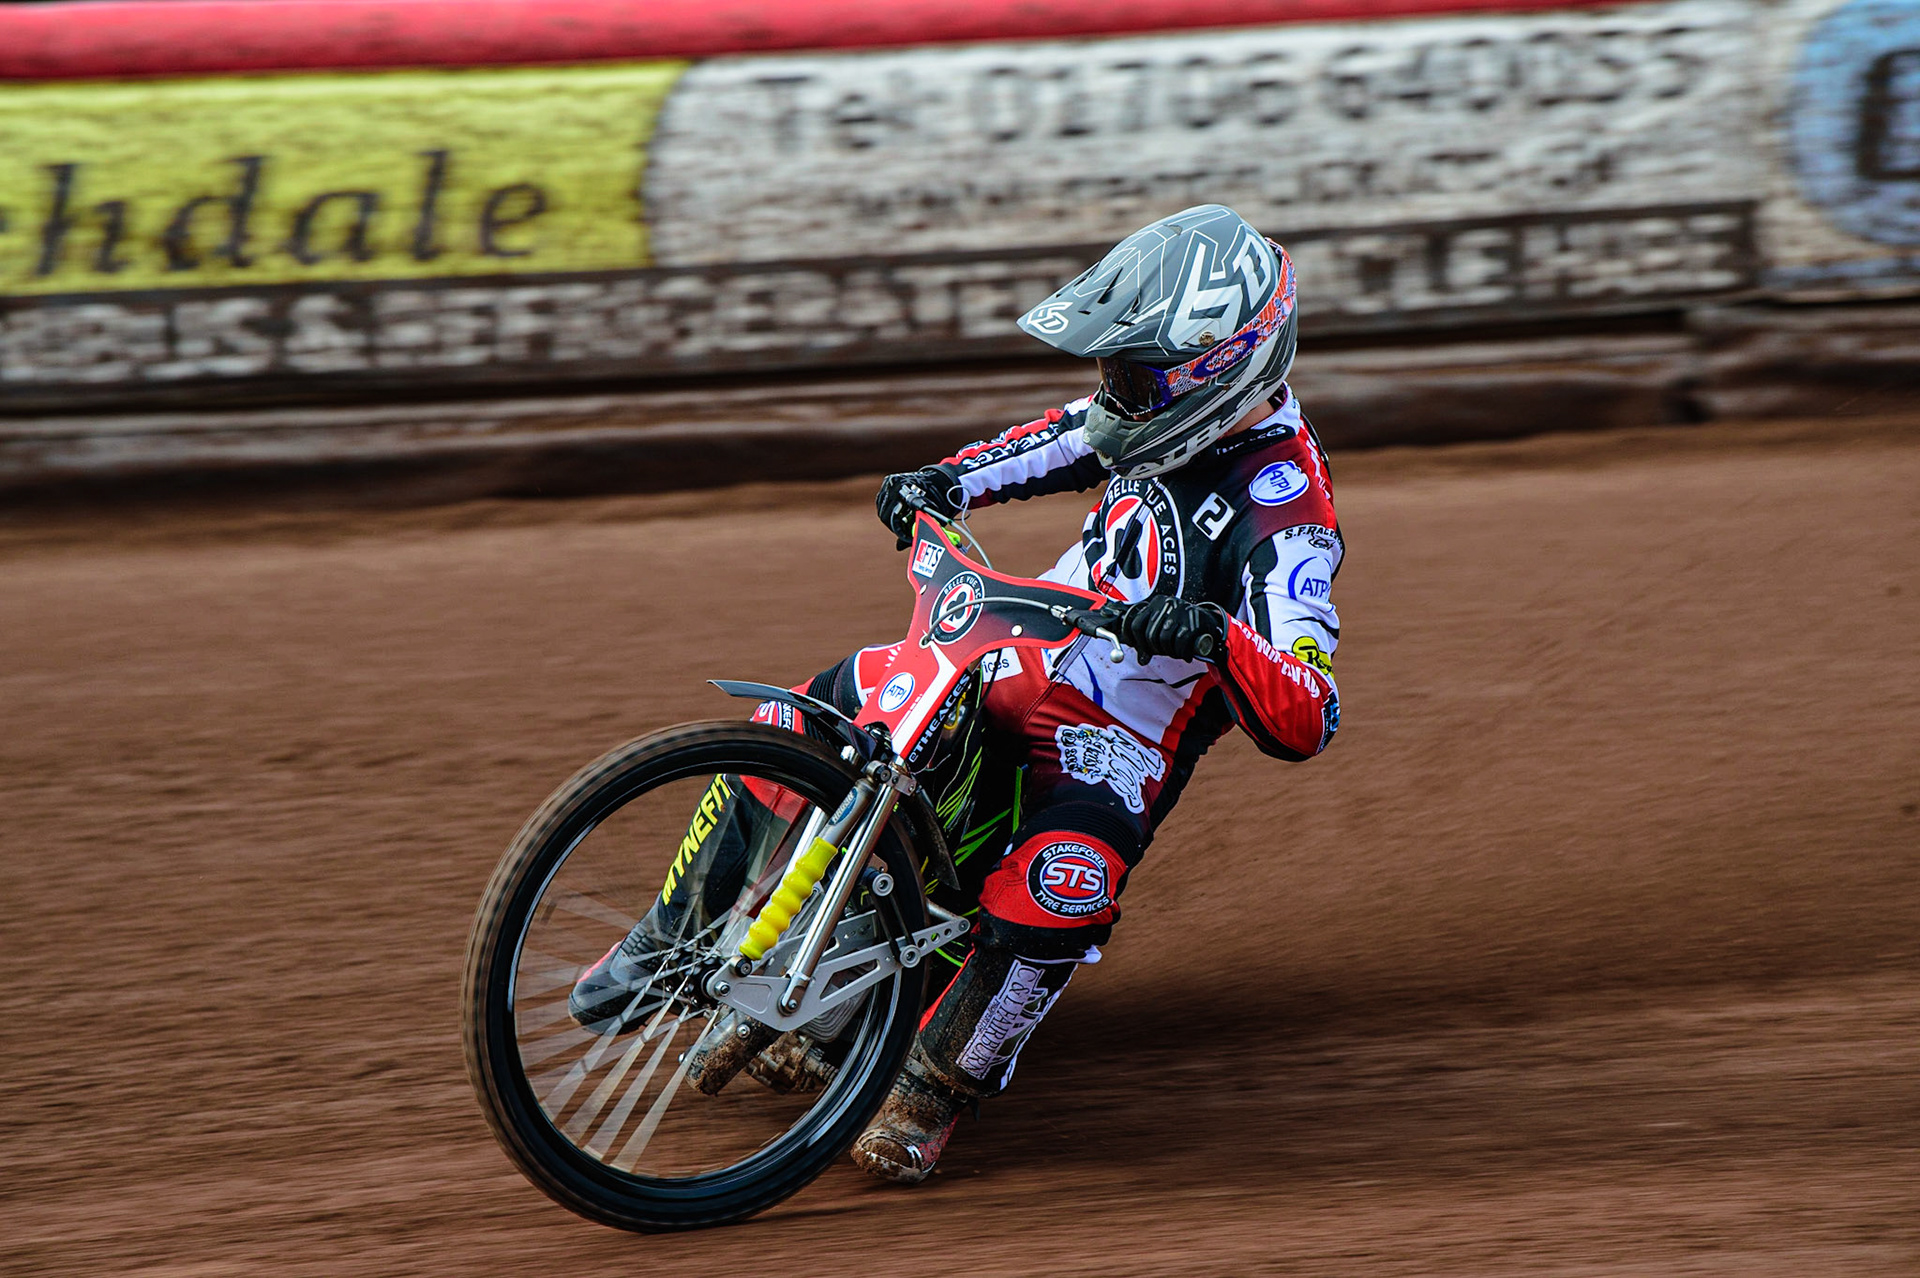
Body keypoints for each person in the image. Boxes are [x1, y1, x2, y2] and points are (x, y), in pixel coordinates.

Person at [574, 204, 1343, 1184]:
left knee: (1067, 879)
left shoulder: (1289, 514)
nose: (1111, 395)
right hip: (1019, 648)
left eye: (1133, 375)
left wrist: (1216, 635)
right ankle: (673, 936)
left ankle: (934, 1087)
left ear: (1217, 370)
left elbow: (1309, 711)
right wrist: (948, 480)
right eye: (1111, 371)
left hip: (1114, 742)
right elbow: (1068, 438)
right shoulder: (1143, 416)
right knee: (823, 709)